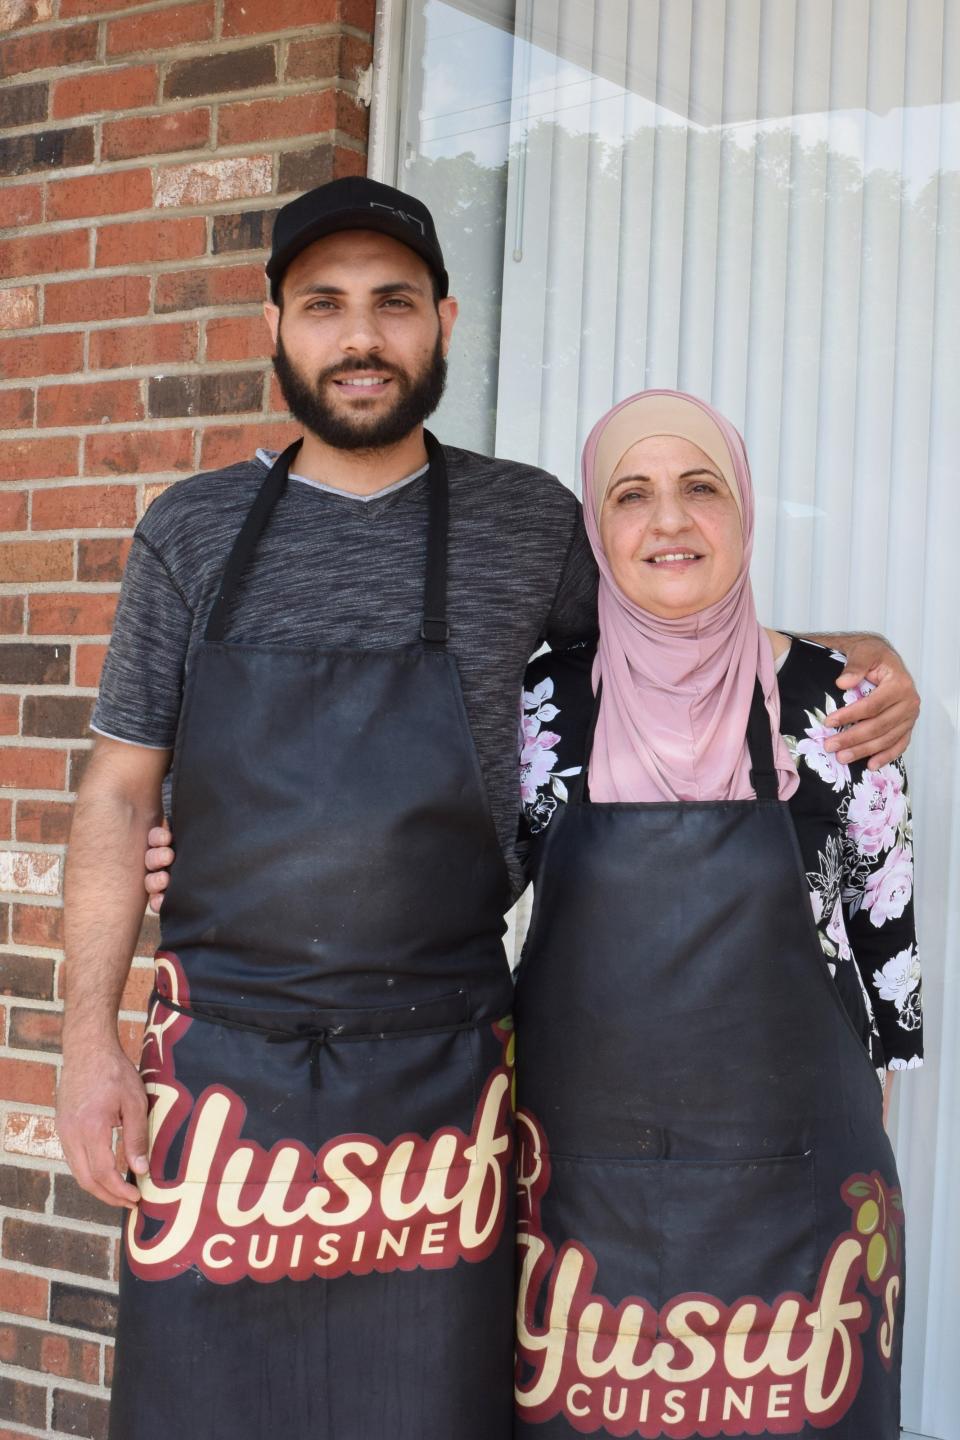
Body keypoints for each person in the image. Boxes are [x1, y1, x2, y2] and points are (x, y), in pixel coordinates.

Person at [58, 176, 917, 1440]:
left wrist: (854, 660)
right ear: (275, 328)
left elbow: (668, 625)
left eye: (394, 304)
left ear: (446, 321)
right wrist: (83, 1039)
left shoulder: (527, 523)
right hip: (220, 1079)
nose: (362, 337)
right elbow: (119, 790)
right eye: (326, 306)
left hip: (444, 1100)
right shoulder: (189, 533)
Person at [511, 391, 919, 1439]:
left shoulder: (842, 703)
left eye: (701, 488)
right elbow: (442, 890)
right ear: (598, 531)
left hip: (798, 1215)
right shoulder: (541, 702)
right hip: (576, 1211)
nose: (669, 522)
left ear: (742, 509)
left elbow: (883, 947)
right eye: (631, 495)